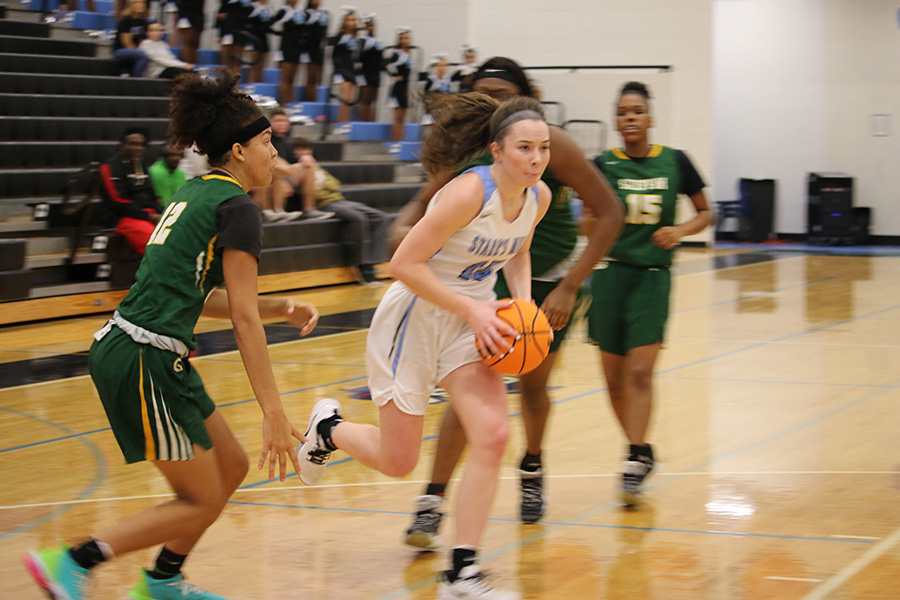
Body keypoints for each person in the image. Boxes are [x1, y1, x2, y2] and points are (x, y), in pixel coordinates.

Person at [23, 71, 320, 600]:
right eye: (267, 143)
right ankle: (73, 561)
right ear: (237, 149)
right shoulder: (239, 207)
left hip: (142, 350)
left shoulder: (195, 193)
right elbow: (244, 322)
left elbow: (200, 298)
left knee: (230, 466)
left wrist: (279, 306)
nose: (274, 156)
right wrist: (274, 413)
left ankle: (162, 580)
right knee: (200, 499)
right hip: (144, 357)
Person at [295, 93, 551, 600]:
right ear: (497, 150)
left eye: (543, 148)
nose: (537, 159)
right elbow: (403, 265)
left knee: (495, 435)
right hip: (412, 319)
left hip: (470, 319)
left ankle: (463, 573)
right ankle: (328, 429)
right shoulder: (465, 194)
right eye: (525, 148)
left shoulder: (537, 197)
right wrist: (475, 309)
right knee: (398, 461)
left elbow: (519, 250)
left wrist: (522, 305)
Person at [395, 56, 622, 548]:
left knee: (533, 381)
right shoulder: (474, 153)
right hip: (485, 277)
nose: (494, 102)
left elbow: (609, 212)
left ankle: (533, 468)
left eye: (502, 93)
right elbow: (425, 200)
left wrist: (566, 288)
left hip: (549, 278)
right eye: (485, 93)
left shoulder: (549, 145)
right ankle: (433, 497)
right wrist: (405, 224)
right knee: (475, 387)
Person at [589, 81, 711, 506]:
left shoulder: (676, 161)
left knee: (640, 372)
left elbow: (706, 212)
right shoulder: (602, 165)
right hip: (609, 276)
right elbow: (587, 219)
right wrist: (601, 226)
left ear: (651, 117)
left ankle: (631, 459)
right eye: (623, 112)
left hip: (652, 277)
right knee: (611, 378)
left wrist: (679, 231)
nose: (630, 118)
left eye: (637, 110)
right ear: (615, 120)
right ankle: (641, 451)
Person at [292, 137, 389, 284]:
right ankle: (363, 266)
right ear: (295, 152)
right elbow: (314, 192)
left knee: (381, 217)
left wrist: (318, 174)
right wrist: (318, 179)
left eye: (306, 149)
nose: (304, 152)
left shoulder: (318, 168)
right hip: (326, 204)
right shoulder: (297, 169)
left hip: (340, 200)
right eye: (300, 149)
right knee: (358, 218)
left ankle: (374, 261)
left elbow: (335, 185)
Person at [252, 108, 333, 222]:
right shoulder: (265, 139)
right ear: (270, 123)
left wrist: (304, 159)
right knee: (272, 168)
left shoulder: (287, 141)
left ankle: (309, 209)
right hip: (273, 172)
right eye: (278, 121)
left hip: (284, 173)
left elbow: (292, 161)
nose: (281, 124)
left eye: (284, 121)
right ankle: (270, 211)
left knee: (308, 167)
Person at [99, 126, 163, 255]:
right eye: (133, 144)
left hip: (146, 214)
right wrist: (149, 216)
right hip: (121, 217)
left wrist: (164, 213)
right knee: (155, 243)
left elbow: (153, 195)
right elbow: (117, 200)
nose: (137, 148)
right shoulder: (109, 167)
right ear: (122, 145)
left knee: (180, 232)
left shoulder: (142, 164)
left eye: (141, 145)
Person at [329, 8, 359, 123]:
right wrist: (338, 68)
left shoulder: (356, 38)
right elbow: (334, 54)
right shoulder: (340, 37)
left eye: (354, 20)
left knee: (350, 100)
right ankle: (341, 123)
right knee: (345, 98)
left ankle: (345, 123)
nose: (352, 23)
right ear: (344, 22)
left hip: (351, 69)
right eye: (349, 20)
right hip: (342, 69)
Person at [384, 26, 412, 142]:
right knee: (398, 117)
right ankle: (396, 141)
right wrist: (394, 75)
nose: (405, 41)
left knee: (402, 117)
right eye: (403, 38)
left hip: (405, 87)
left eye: (407, 38)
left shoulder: (408, 55)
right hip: (398, 88)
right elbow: (384, 64)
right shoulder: (397, 54)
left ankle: (400, 140)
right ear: (399, 40)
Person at [355, 13, 383, 122]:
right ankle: (363, 122)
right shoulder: (362, 41)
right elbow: (357, 57)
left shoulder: (378, 42)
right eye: (368, 26)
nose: (371, 28)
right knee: (364, 100)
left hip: (375, 74)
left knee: (372, 100)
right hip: (365, 73)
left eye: (372, 26)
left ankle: (371, 122)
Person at [113, 0, 150, 78]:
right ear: (131, 6)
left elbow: (142, 40)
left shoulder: (143, 22)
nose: (142, 5)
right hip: (120, 50)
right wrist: (138, 51)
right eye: (138, 3)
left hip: (135, 50)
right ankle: (136, 78)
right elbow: (126, 42)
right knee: (142, 55)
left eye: (143, 3)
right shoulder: (126, 20)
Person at [245, 0, 273, 84]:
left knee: (261, 66)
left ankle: (259, 88)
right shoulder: (252, 6)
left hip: (264, 37)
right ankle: (250, 85)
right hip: (254, 36)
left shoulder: (269, 8)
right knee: (254, 65)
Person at [172, 0, 204, 65]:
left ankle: (193, 67)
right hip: (186, 16)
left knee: (195, 45)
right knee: (188, 44)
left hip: (198, 16)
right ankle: (187, 67)